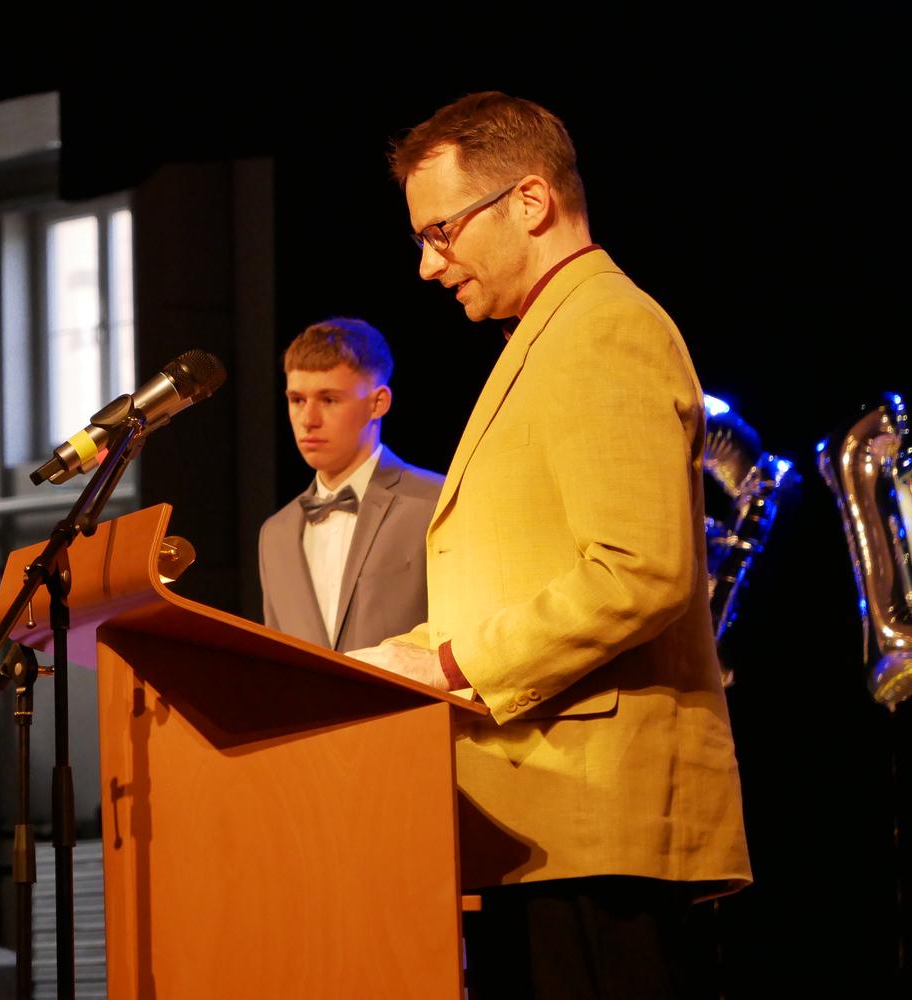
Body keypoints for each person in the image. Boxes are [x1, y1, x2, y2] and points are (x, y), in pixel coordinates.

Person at [348, 92, 752, 999]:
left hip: (599, 827)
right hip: (543, 827)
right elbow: (520, 580)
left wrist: (446, 666)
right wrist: (382, 664)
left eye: (441, 231)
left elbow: (640, 570)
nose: (427, 265)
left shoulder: (605, 326)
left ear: (530, 201)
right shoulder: (551, 335)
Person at [258, 317, 444, 653]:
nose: (308, 420)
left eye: (329, 400)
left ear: (378, 403)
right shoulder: (275, 534)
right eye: (297, 400)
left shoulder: (436, 503)